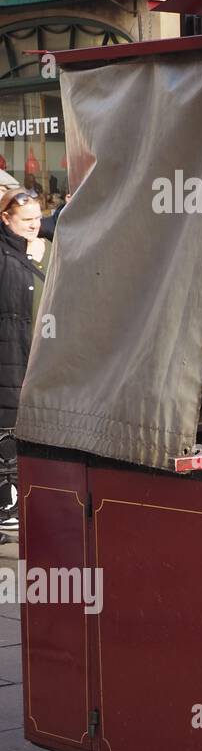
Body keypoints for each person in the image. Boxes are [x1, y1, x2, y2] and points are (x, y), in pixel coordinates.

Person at [0, 187, 49, 533]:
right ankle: (8, 504)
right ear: (6, 219)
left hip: (35, 354)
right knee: (7, 430)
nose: (35, 225)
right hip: (8, 354)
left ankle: (19, 500)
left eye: (38, 219)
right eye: (26, 220)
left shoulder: (47, 248)